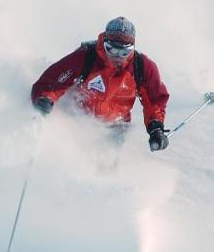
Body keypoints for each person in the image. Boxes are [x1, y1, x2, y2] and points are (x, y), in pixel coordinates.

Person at [30, 16, 172, 151]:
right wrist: (44, 98)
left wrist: (155, 127)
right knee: (71, 161)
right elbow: (53, 81)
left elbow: (155, 100)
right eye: (111, 50)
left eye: (124, 53)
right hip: (77, 121)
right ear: (104, 43)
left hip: (115, 129)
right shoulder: (86, 58)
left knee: (103, 169)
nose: (117, 57)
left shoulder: (141, 67)